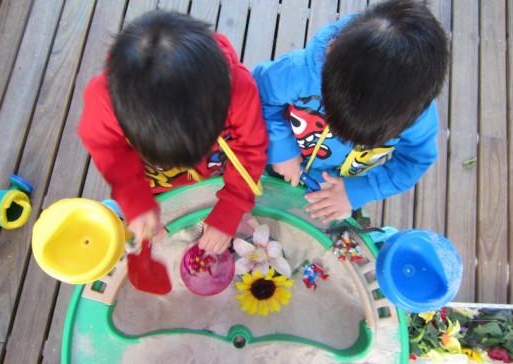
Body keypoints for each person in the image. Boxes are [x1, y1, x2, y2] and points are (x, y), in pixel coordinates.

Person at [78, 10, 268, 253]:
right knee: (133, 220)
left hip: (218, 176)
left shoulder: (239, 89)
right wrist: (134, 198)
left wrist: (231, 207)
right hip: (157, 184)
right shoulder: (103, 100)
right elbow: (106, 148)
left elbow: (250, 149)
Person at [252, 0, 449, 223]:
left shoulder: (415, 116)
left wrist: (359, 191)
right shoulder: (299, 73)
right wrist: (281, 148)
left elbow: (414, 161)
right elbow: (258, 94)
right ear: (330, 49)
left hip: (335, 192)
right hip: (273, 161)